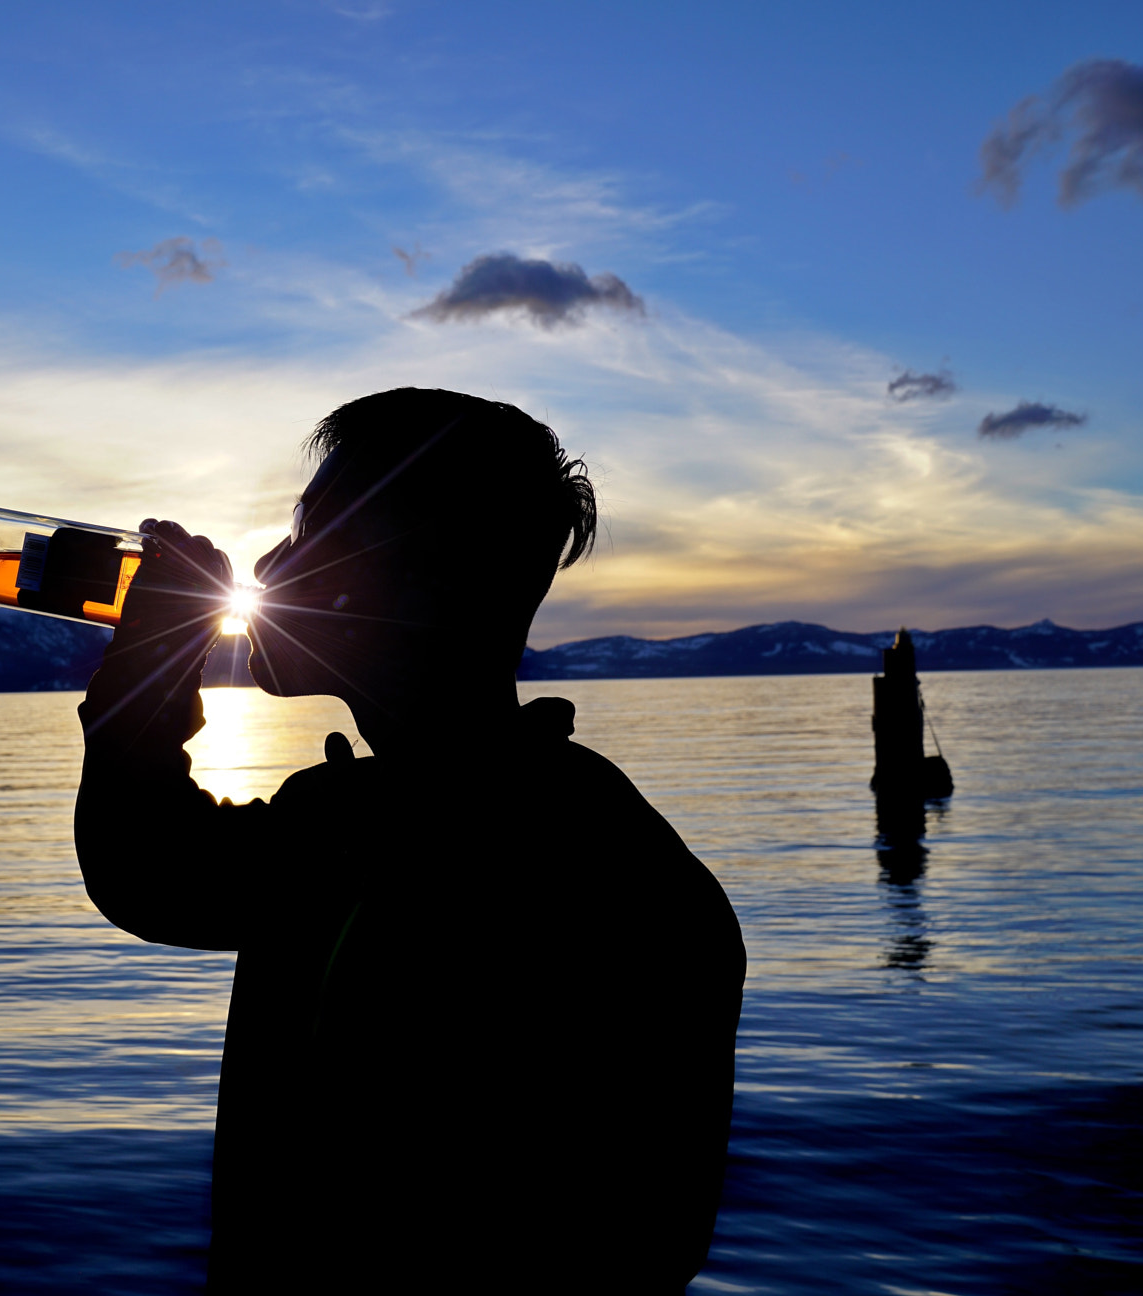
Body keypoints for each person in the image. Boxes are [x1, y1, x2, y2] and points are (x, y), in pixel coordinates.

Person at [75, 388, 745, 1292]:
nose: (271, 562)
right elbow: (149, 870)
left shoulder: (617, 885)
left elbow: (636, 1242)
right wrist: (148, 667)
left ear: (418, 579)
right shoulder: (338, 817)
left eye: (312, 534)